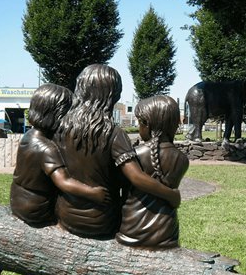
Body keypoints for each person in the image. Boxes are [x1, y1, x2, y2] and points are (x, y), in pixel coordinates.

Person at [56, 64, 181, 239]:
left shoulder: (60, 127)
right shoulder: (113, 133)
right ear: (112, 96)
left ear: (81, 89)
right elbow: (136, 177)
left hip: (64, 216)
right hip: (101, 222)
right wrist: (171, 195)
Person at [10, 84, 109, 227]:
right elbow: (64, 181)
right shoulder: (47, 148)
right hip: (35, 208)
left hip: (18, 198)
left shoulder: (28, 136)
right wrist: (93, 193)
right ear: (56, 115)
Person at [116, 96, 189, 248]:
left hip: (132, 231)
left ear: (147, 124)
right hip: (167, 232)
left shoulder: (133, 155)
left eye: (139, 122)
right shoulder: (182, 159)